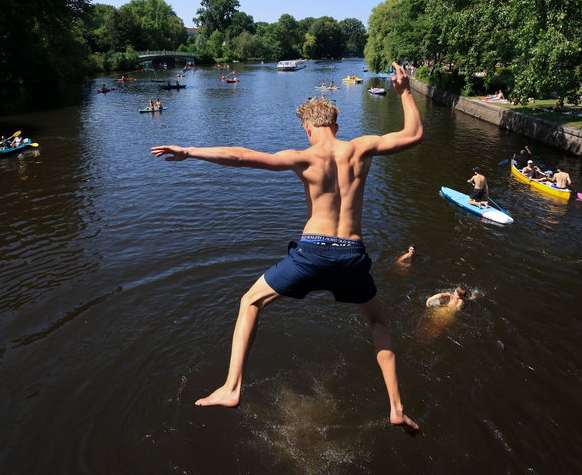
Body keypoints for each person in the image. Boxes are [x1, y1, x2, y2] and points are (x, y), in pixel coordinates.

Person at [150, 62, 423, 430]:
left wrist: (190, 150)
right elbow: (413, 134)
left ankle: (232, 387)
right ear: (337, 127)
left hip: (312, 252)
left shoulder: (304, 156)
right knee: (377, 322)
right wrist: (404, 90)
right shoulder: (362, 148)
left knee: (250, 301)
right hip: (351, 255)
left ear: (307, 128)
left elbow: (242, 156)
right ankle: (396, 408)